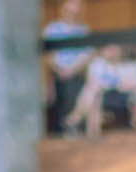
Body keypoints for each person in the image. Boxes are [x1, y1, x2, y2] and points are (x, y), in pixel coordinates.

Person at [44, 0, 91, 133]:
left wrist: (72, 70)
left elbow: (86, 55)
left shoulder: (83, 30)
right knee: (59, 89)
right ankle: (66, 127)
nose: (71, 14)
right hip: (56, 73)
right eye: (68, 11)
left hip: (76, 73)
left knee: (74, 86)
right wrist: (60, 70)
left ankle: (71, 125)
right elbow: (48, 55)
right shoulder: (52, 29)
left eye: (74, 12)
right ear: (62, 10)